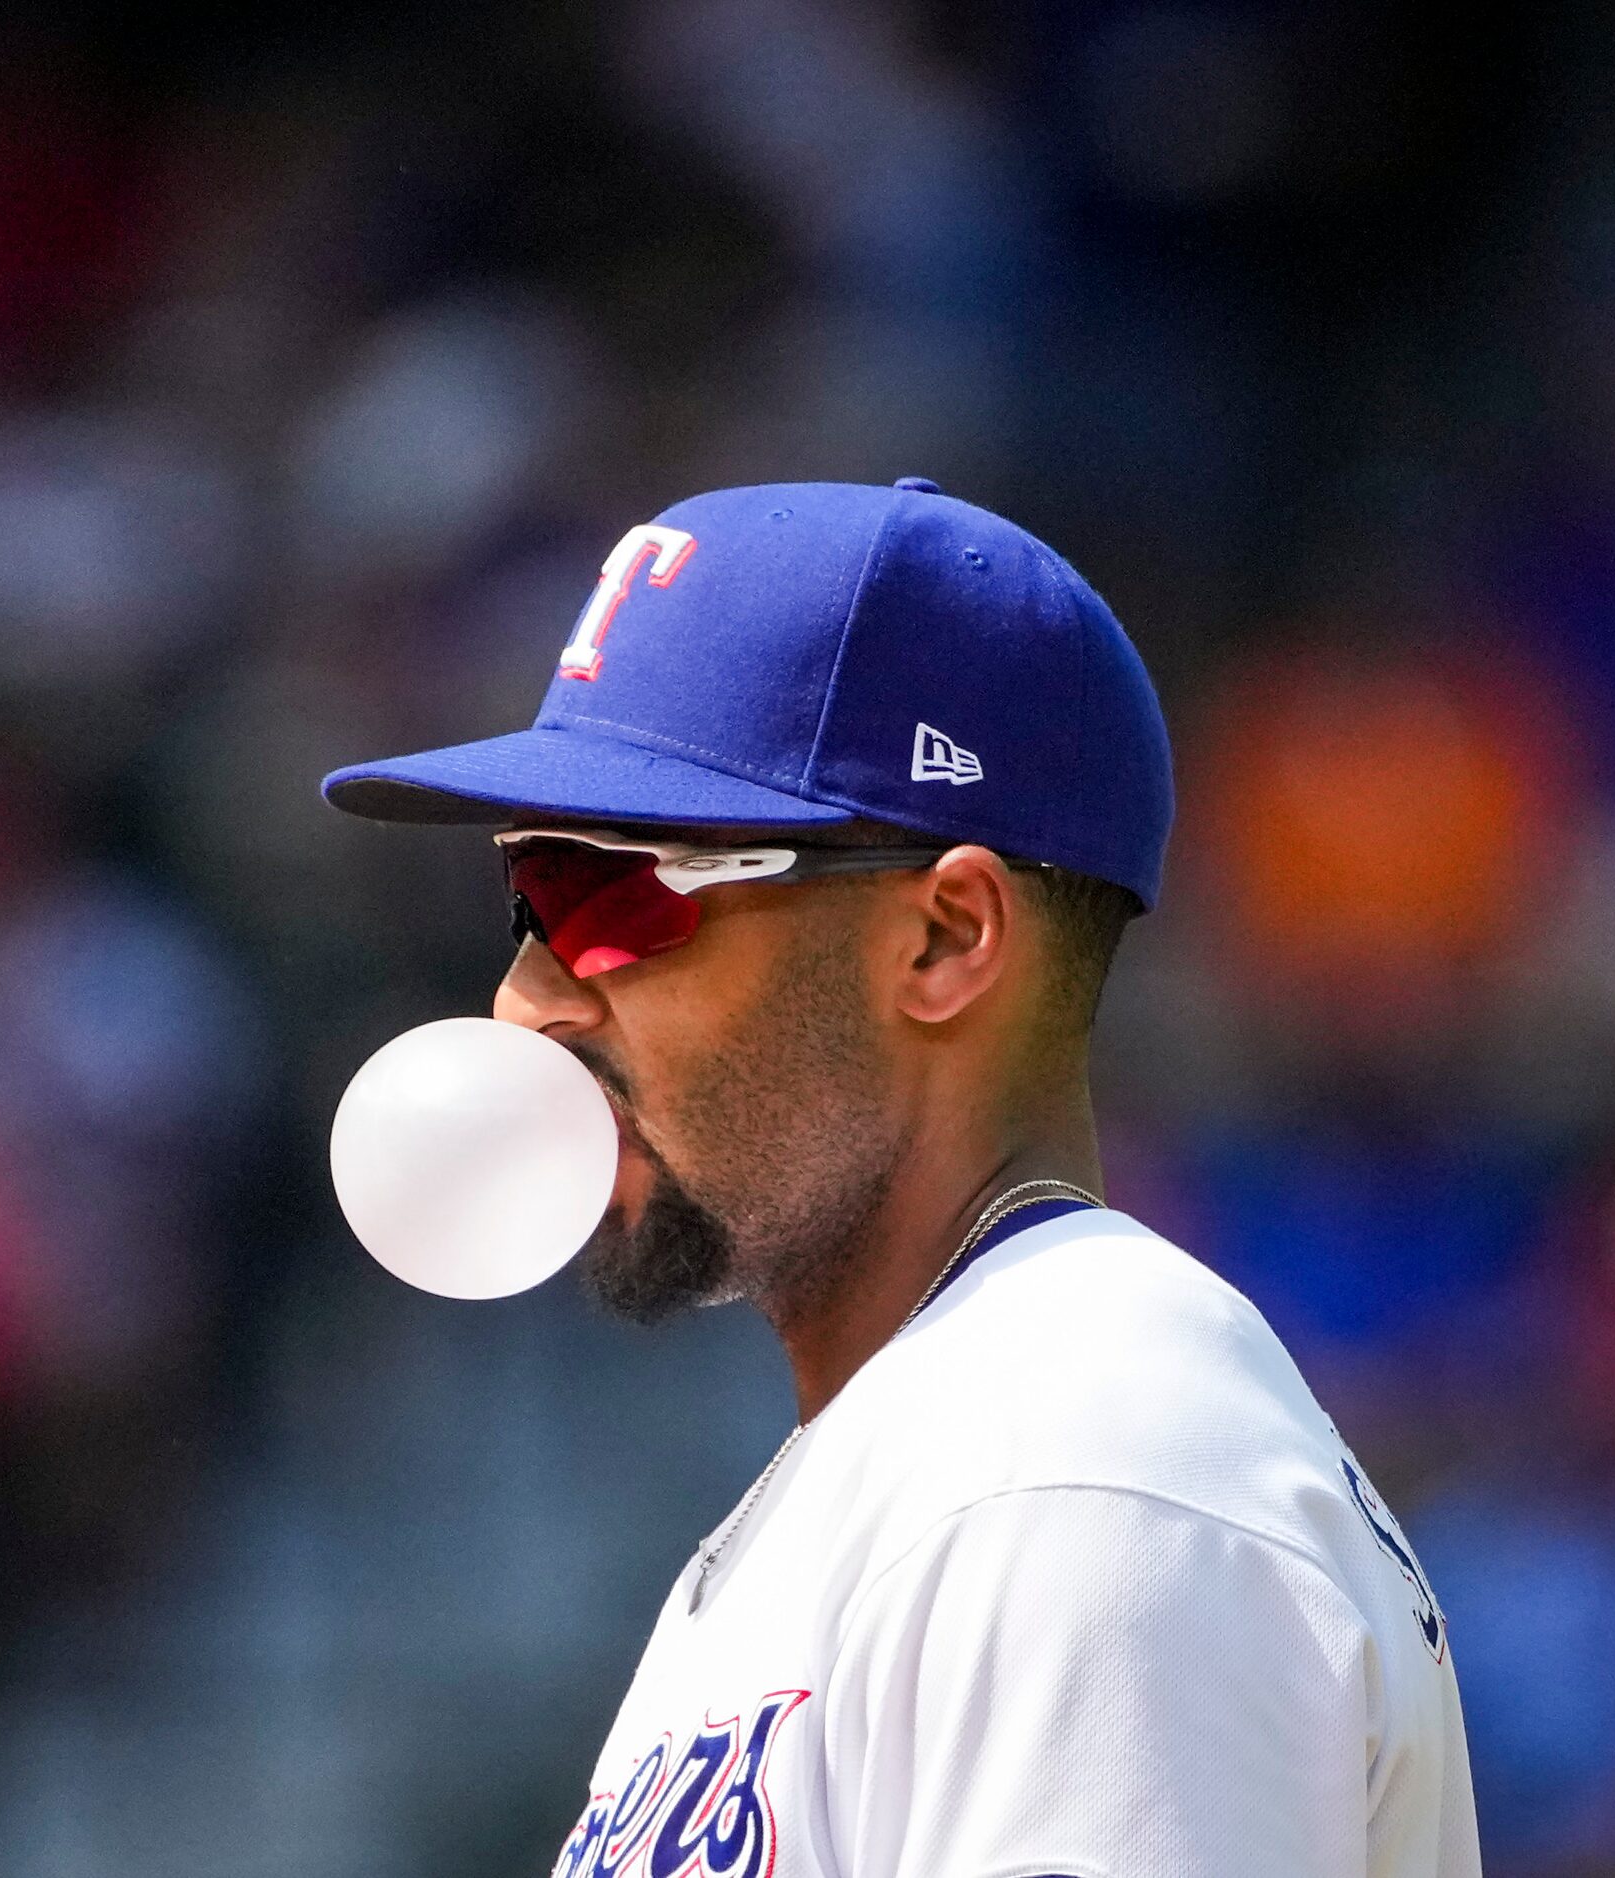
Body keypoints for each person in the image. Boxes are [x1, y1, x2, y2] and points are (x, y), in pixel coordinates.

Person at [321, 480, 1480, 1877]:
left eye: (607, 896)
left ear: (945, 935)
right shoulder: (941, 1458)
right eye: (529, 896)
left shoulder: (1078, 1467)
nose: (526, 1004)